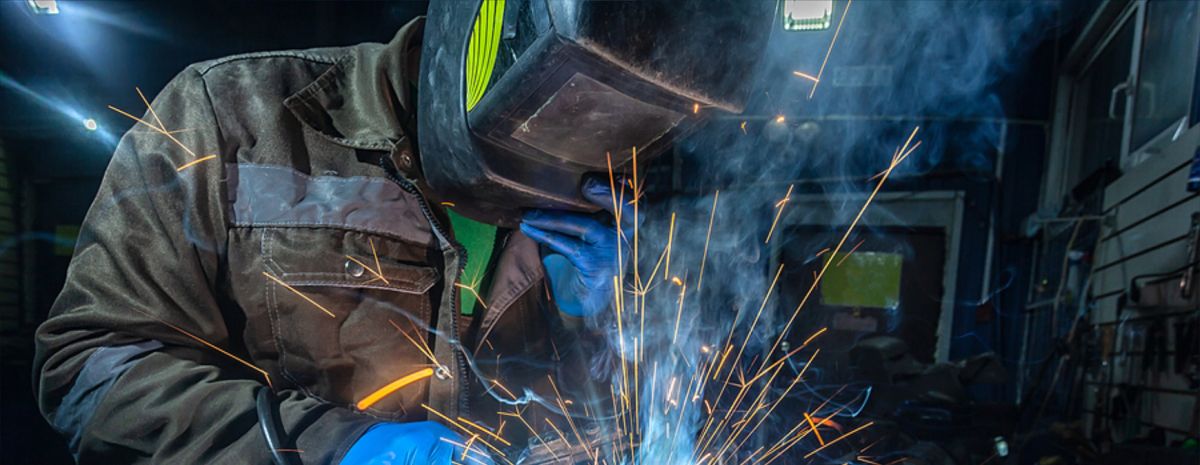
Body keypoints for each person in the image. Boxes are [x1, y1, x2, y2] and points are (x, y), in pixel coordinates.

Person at [34, 2, 772, 463]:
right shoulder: (230, 116)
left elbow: (576, 423)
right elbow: (88, 372)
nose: (577, 156)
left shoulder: (592, 187)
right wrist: (333, 448)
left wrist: (609, 326)